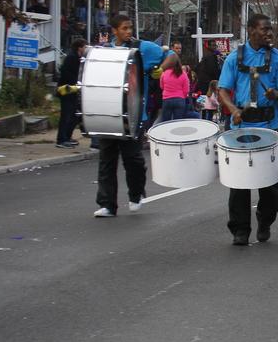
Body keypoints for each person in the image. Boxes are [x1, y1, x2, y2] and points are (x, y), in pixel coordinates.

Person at [217, 14, 278, 245]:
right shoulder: (234, 58)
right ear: (250, 30)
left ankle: (265, 220)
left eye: (270, 29)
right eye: (264, 29)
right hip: (241, 127)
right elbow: (222, 90)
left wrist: (274, 94)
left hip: (268, 127)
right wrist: (233, 110)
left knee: (269, 185)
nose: (269, 33)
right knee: (240, 183)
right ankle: (240, 230)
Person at [94, 14, 176, 218]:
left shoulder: (143, 48)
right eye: (124, 28)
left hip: (134, 115)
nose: (128, 32)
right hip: (109, 113)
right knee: (106, 161)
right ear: (114, 31)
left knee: (133, 161)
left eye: (130, 28)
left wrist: (161, 69)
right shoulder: (105, 52)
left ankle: (136, 194)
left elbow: (172, 55)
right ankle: (107, 204)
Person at [55, 38, 87, 148]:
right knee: (66, 116)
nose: (86, 48)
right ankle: (61, 139)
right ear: (79, 47)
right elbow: (66, 73)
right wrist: (77, 82)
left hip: (73, 91)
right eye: (84, 46)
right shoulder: (72, 58)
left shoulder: (78, 58)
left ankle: (67, 136)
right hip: (67, 90)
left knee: (74, 116)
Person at [159, 55, 191, 122]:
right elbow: (186, 90)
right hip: (180, 99)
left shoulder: (164, 73)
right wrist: (183, 97)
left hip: (167, 99)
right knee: (177, 123)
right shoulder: (183, 74)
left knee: (165, 122)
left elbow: (162, 86)